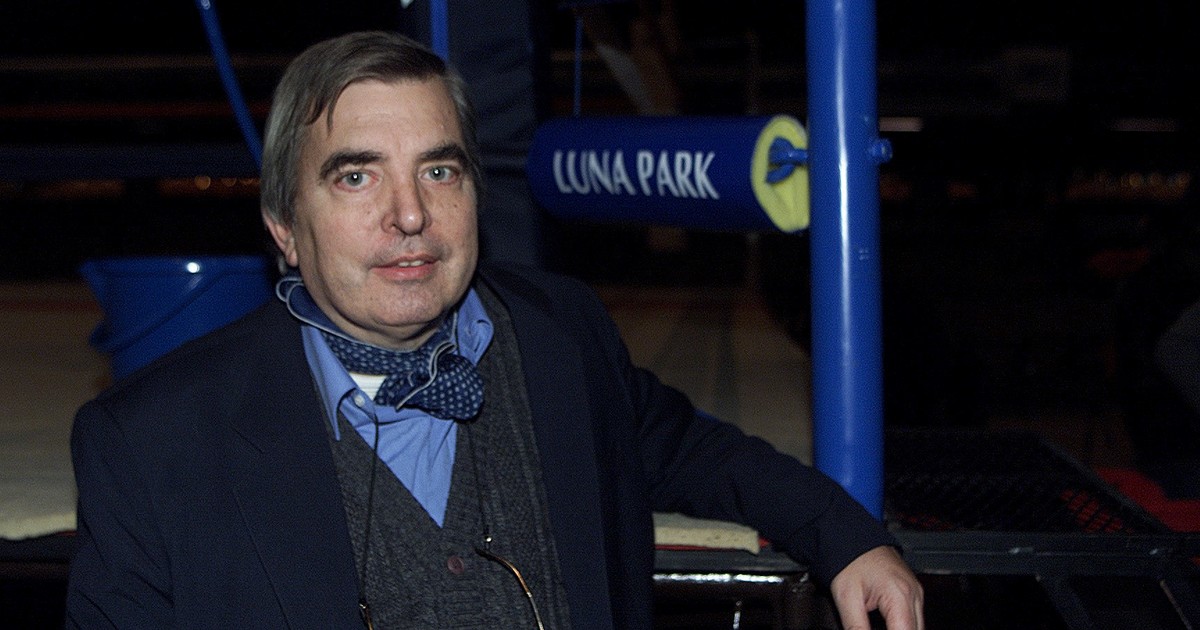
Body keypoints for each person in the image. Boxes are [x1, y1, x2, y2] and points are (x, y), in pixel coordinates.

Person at [66, 30, 923, 629]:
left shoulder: (559, 335)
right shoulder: (151, 442)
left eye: (439, 170)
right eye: (358, 177)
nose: (410, 214)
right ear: (285, 226)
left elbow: (690, 449)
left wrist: (850, 541)